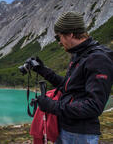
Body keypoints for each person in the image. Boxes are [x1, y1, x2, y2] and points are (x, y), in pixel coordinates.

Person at [32, 11, 113, 144]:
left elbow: (94, 106)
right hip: (68, 129)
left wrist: (52, 106)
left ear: (70, 34)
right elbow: (70, 87)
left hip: (81, 135)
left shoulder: (98, 59)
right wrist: (43, 70)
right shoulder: (80, 55)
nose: (59, 42)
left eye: (59, 37)